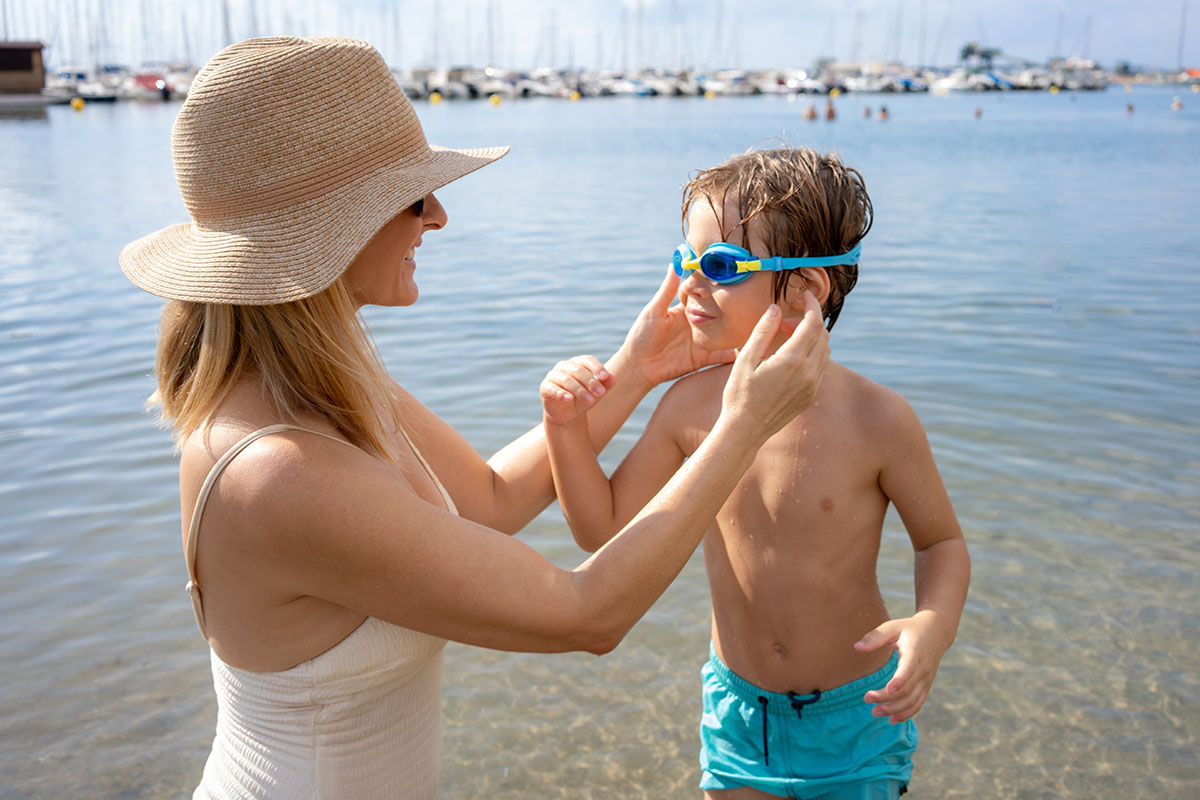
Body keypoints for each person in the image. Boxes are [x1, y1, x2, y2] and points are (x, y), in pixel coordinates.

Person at [119, 38, 832, 799]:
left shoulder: (323, 385)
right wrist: (746, 425)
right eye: (410, 195)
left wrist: (632, 372)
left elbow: (491, 500)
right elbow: (588, 614)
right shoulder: (275, 473)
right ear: (331, 227)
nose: (439, 214)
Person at [540, 147, 970, 799]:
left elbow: (941, 542)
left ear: (805, 287)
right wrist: (565, 429)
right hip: (740, 716)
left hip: (858, 714)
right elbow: (599, 527)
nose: (689, 285)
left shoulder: (877, 418)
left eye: (717, 265)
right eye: (686, 260)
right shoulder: (688, 407)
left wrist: (932, 626)